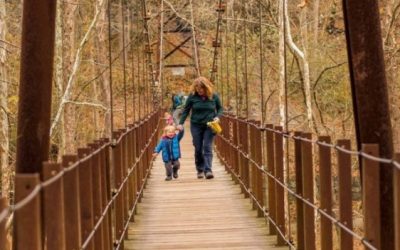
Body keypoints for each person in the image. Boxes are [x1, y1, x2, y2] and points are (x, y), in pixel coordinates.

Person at [177, 76, 223, 179]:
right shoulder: (192, 96)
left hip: (210, 125)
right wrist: (181, 123)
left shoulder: (213, 96)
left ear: (206, 88)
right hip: (196, 125)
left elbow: (220, 109)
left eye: (201, 89)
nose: (199, 91)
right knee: (198, 148)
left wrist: (217, 117)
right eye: (197, 89)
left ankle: (208, 170)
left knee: (207, 147)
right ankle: (200, 169)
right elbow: (186, 110)